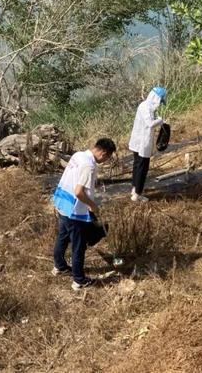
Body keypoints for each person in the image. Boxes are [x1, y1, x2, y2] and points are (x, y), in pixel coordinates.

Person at [52, 138, 116, 290]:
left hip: (62, 203)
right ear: (103, 153)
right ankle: (79, 280)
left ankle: (59, 266)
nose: (105, 161)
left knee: (63, 236)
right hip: (74, 211)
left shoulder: (78, 155)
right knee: (78, 246)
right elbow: (78, 192)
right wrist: (92, 205)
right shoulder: (90, 165)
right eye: (106, 158)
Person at [128, 87, 167, 202]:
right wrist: (160, 120)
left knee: (137, 165)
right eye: (160, 101)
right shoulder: (146, 107)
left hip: (139, 141)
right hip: (142, 142)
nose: (160, 104)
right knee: (142, 167)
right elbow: (150, 123)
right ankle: (137, 194)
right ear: (156, 98)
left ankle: (135, 189)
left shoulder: (147, 107)